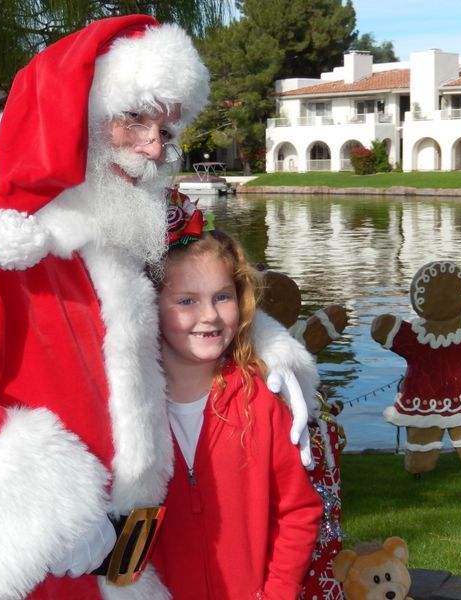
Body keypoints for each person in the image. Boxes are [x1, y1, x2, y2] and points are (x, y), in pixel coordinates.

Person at [0, 15, 318, 600]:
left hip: (117, 562)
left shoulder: (119, 209)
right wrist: (50, 513)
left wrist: (265, 347)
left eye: (167, 127)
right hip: (0, 570)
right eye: (135, 117)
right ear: (75, 109)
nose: (154, 148)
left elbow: (191, 293)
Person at [152, 193, 322, 599]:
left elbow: (298, 511)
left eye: (222, 296)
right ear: (149, 306)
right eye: (186, 301)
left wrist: (278, 592)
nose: (209, 315)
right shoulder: (130, 413)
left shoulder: (259, 402)